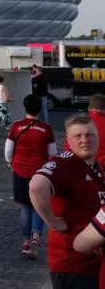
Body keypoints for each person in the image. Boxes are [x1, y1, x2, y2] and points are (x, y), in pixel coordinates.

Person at [30, 114, 104, 288]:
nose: (85, 140)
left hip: (94, 262)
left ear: (98, 138)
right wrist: (53, 222)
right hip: (72, 264)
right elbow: (36, 186)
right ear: (68, 140)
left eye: (89, 135)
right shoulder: (64, 163)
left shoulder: (97, 166)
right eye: (78, 136)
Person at [5, 94, 56, 260]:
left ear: (25, 107)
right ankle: (36, 236)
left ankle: (26, 241)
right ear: (39, 109)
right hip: (40, 172)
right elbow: (53, 153)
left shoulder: (16, 126)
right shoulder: (46, 128)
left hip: (20, 171)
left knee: (25, 207)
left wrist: (11, 163)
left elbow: (8, 151)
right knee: (38, 206)